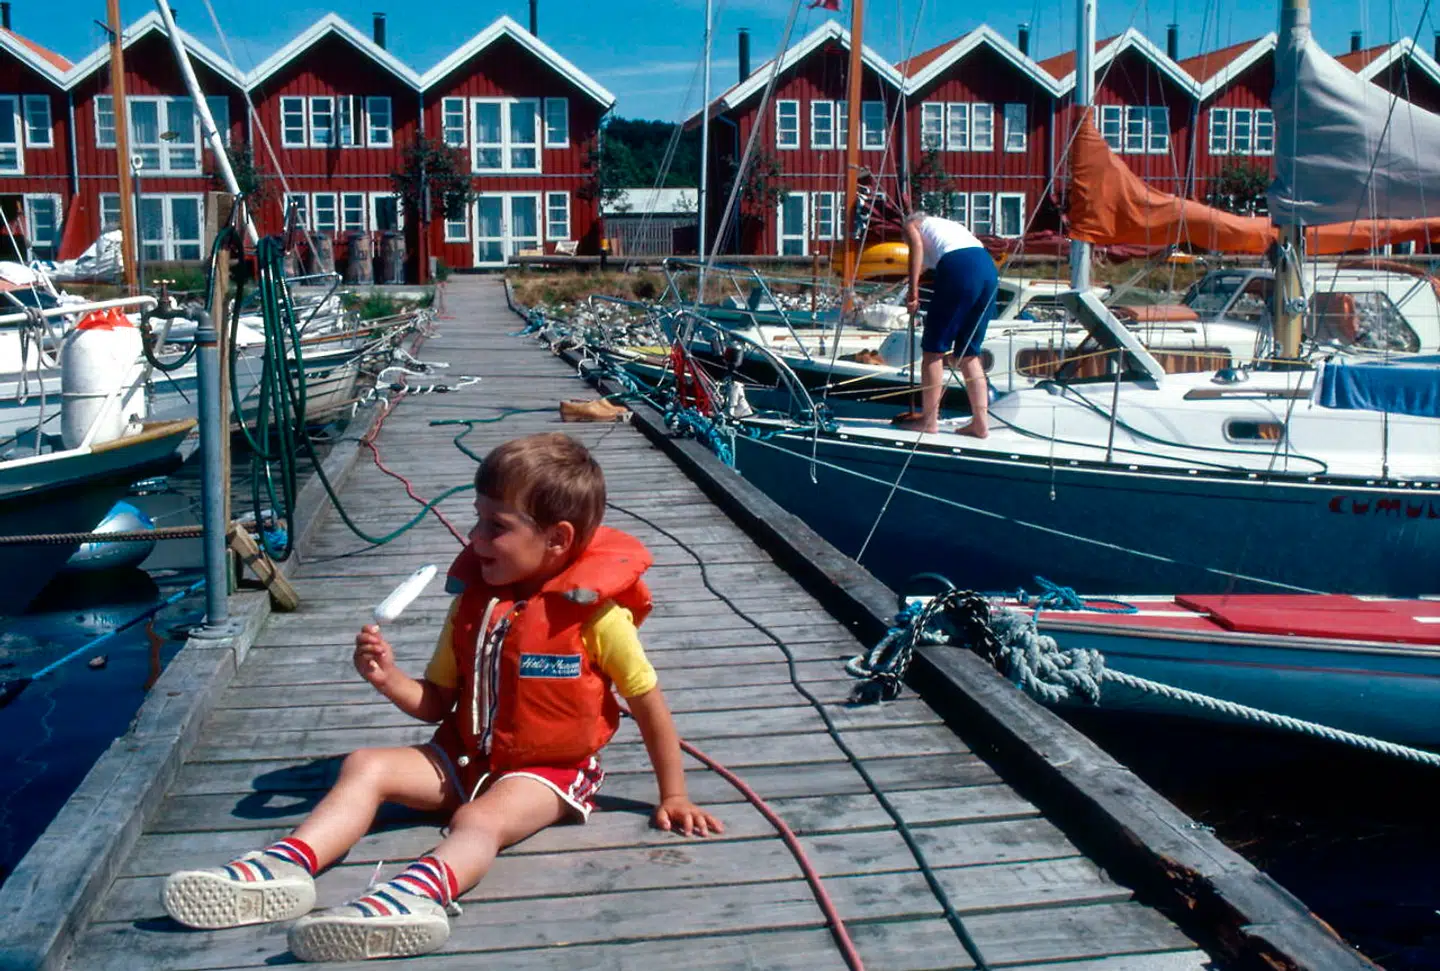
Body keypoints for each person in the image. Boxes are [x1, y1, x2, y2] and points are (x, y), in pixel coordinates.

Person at [161, 432, 722, 962]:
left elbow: (649, 705)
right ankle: (288, 865)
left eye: (495, 527)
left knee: (478, 820)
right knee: (366, 765)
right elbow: (435, 703)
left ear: (558, 539)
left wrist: (673, 794)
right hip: (463, 754)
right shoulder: (474, 605)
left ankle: (417, 897)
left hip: (548, 773)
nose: (475, 539)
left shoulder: (599, 618)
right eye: (477, 521)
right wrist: (388, 678)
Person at [898, 210, 999, 436]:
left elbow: (916, 250)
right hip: (988, 269)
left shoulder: (912, 225)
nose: (906, 242)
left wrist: (913, 292)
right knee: (968, 353)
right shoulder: (948, 228)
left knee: (933, 349)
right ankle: (980, 423)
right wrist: (910, 279)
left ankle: (928, 420)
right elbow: (925, 260)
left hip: (960, 269)